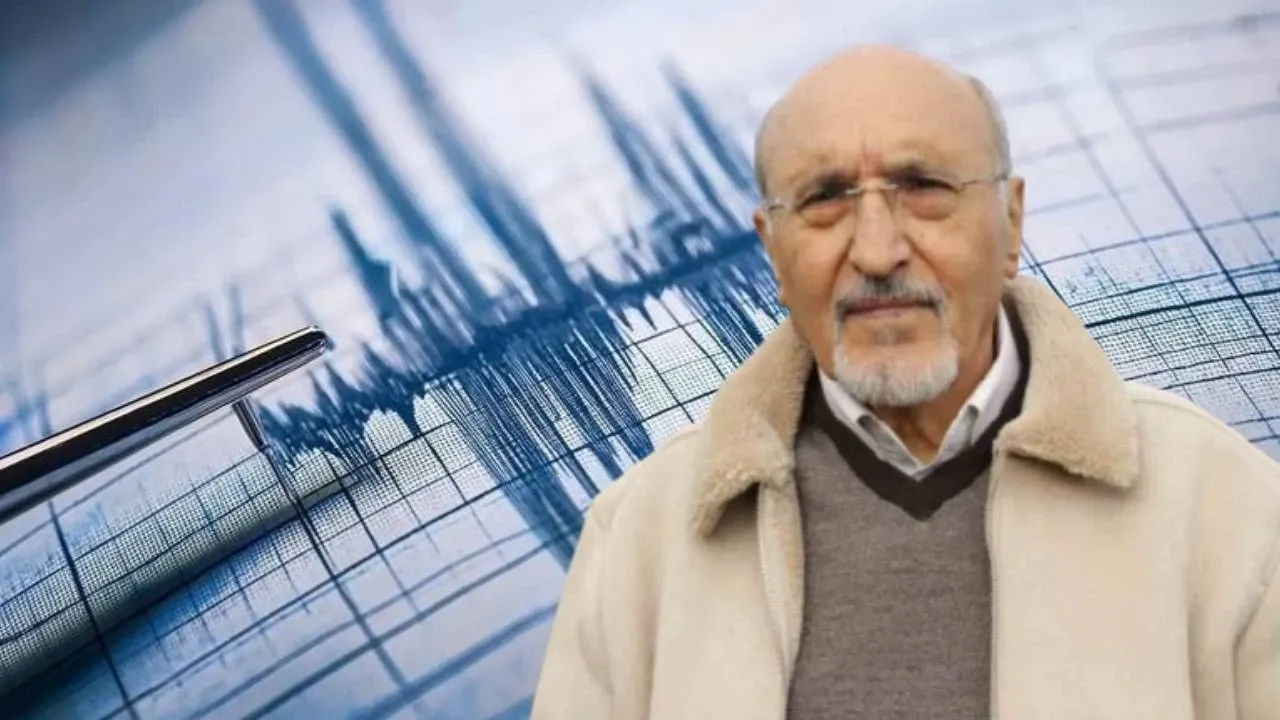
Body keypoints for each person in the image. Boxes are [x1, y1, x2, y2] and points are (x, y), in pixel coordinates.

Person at [531, 44, 1280, 720]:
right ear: (773, 251)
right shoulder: (639, 538)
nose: (878, 251)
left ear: (1011, 222)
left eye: (923, 186)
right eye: (825, 199)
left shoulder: (1224, 505)